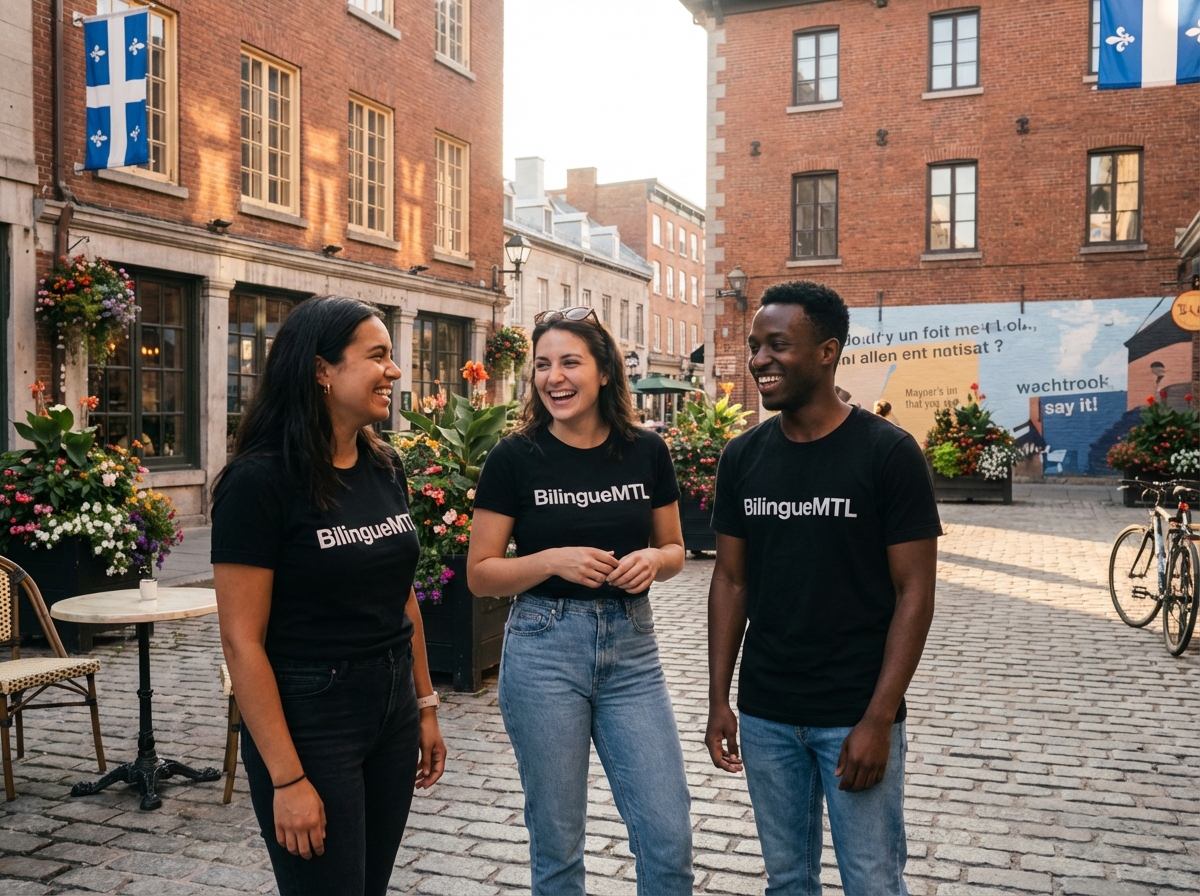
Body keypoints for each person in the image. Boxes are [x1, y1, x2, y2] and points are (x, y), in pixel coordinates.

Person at [706, 280, 940, 895]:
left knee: (872, 880)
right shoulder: (743, 457)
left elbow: (915, 593)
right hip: (766, 713)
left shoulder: (888, 454)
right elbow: (729, 581)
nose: (760, 359)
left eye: (778, 345)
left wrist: (879, 720)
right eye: (756, 345)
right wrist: (718, 700)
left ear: (827, 350)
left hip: (853, 712)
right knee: (786, 881)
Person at [211, 296, 446, 896]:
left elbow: (403, 597)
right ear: (321, 370)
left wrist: (424, 705)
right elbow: (242, 642)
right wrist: (287, 780)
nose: (394, 372)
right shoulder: (259, 481)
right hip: (313, 713)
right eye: (378, 356)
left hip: (391, 706)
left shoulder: (383, 464)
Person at [467, 306, 693, 896]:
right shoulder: (514, 457)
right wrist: (550, 561)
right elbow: (480, 574)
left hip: (632, 651)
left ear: (604, 373)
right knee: (558, 845)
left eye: (570, 362)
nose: (553, 377)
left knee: (667, 835)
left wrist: (654, 561)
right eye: (542, 365)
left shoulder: (646, 451)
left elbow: (674, 549)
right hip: (544, 650)